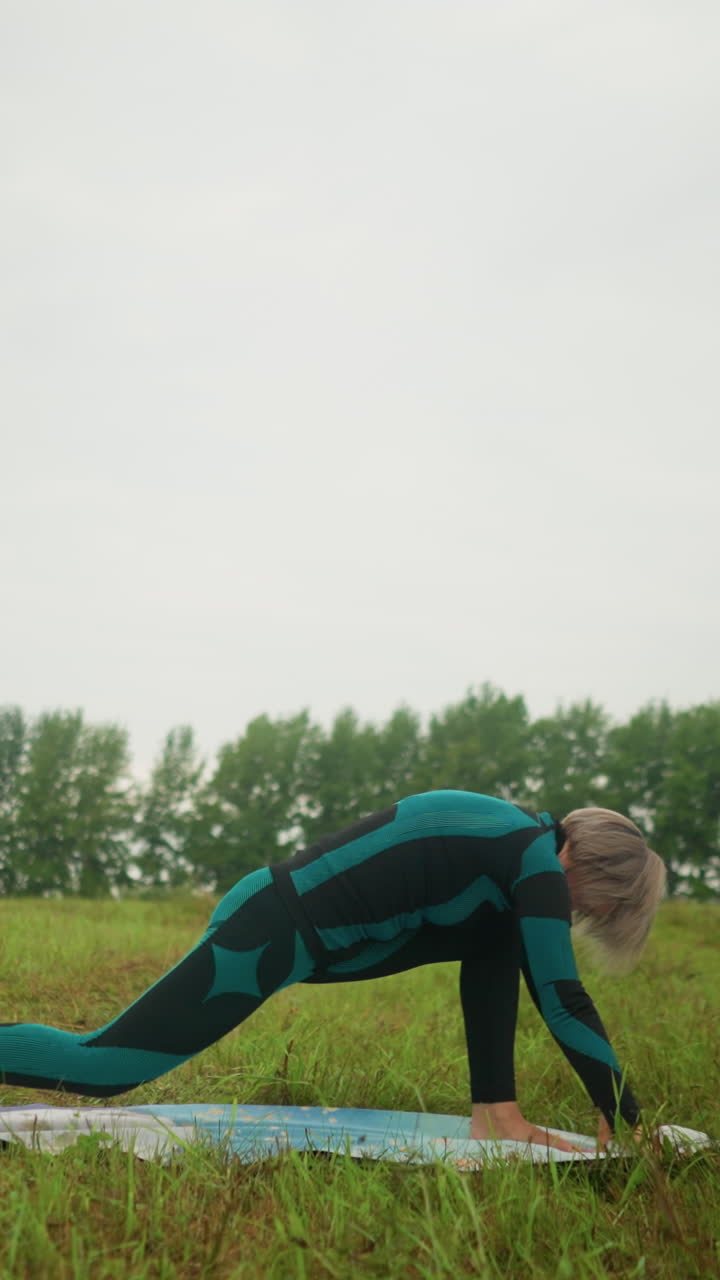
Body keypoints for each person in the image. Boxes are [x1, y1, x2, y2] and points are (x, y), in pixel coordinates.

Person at [0, 791, 666, 1151]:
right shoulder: (536, 862)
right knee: (107, 1067)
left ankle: (496, 1114)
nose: (584, 916)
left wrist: (499, 1111)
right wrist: (628, 1121)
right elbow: (564, 999)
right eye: (599, 906)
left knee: (498, 939)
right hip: (266, 934)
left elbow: (494, 970)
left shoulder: (513, 857)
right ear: (591, 871)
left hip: (283, 928)